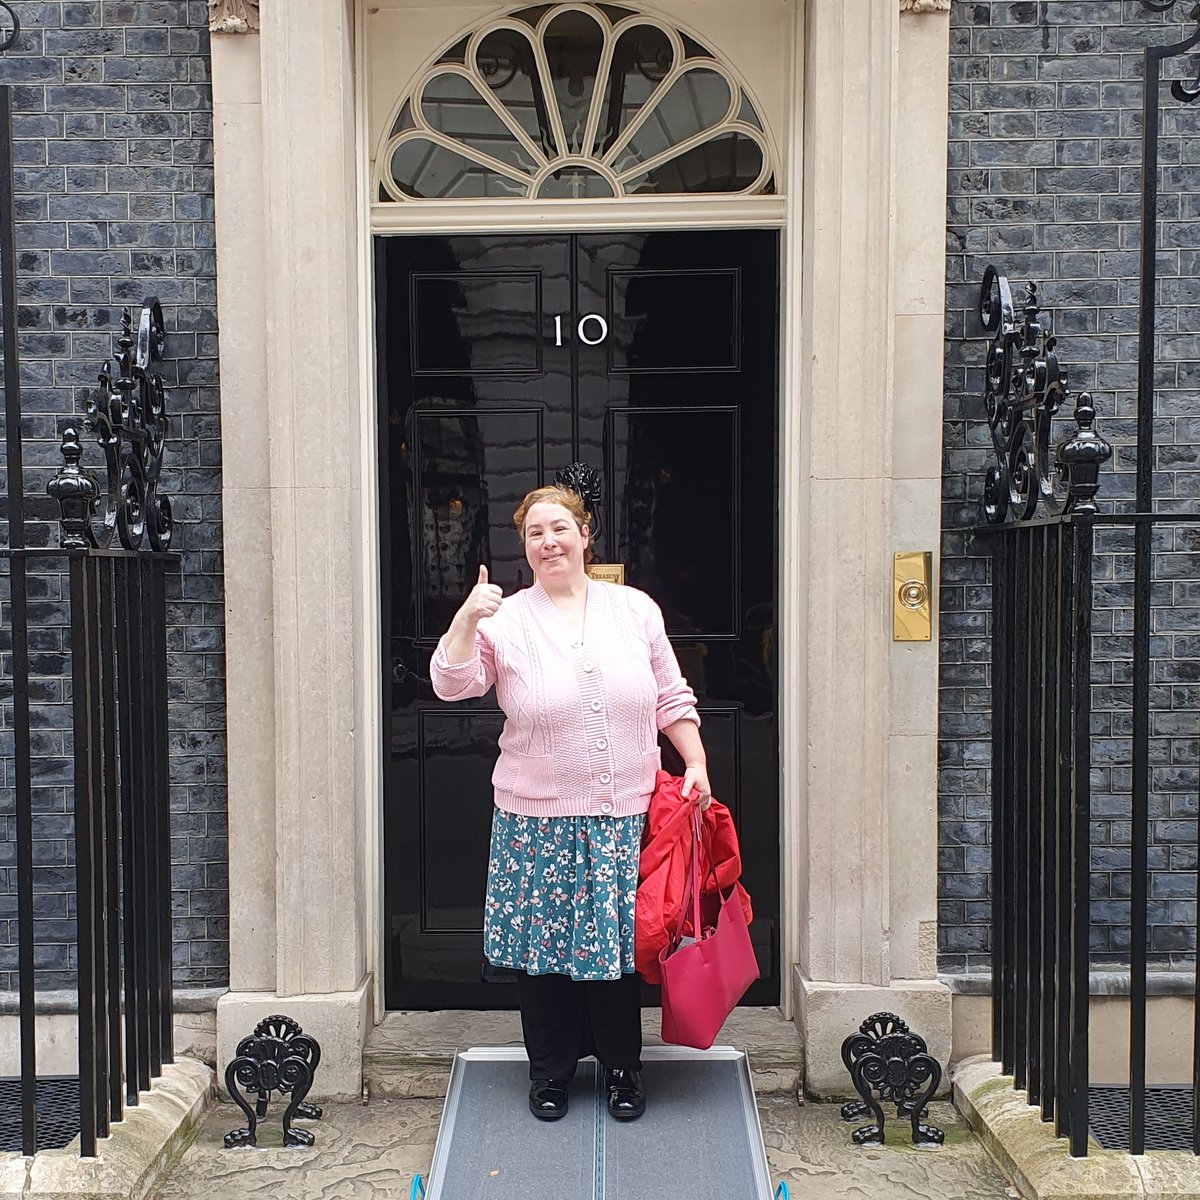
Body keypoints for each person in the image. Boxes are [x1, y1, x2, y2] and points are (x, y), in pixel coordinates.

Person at [430, 483, 712, 1123]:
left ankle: (622, 1070)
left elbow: (671, 696)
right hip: (536, 819)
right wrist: (467, 616)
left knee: (616, 952)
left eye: (559, 528)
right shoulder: (505, 621)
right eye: (534, 532)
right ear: (523, 545)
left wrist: (693, 762)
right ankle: (551, 1074)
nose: (548, 541)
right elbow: (452, 684)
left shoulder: (635, 610)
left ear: (586, 536)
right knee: (544, 957)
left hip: (623, 814)